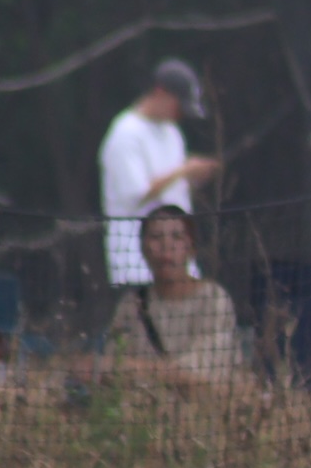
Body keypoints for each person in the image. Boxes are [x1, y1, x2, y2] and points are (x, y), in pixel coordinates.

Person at [100, 60, 219, 289]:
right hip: (137, 265)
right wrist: (185, 169)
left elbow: (172, 194)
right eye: (178, 105)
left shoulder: (172, 133)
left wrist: (193, 178)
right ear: (160, 93)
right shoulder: (126, 133)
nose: (180, 113)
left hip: (180, 263)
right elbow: (137, 195)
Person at [105, 205, 243, 385]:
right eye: (155, 237)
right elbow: (112, 366)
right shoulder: (132, 304)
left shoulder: (213, 298)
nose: (166, 247)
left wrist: (139, 370)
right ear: (143, 248)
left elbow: (204, 370)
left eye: (176, 237)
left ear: (191, 247)